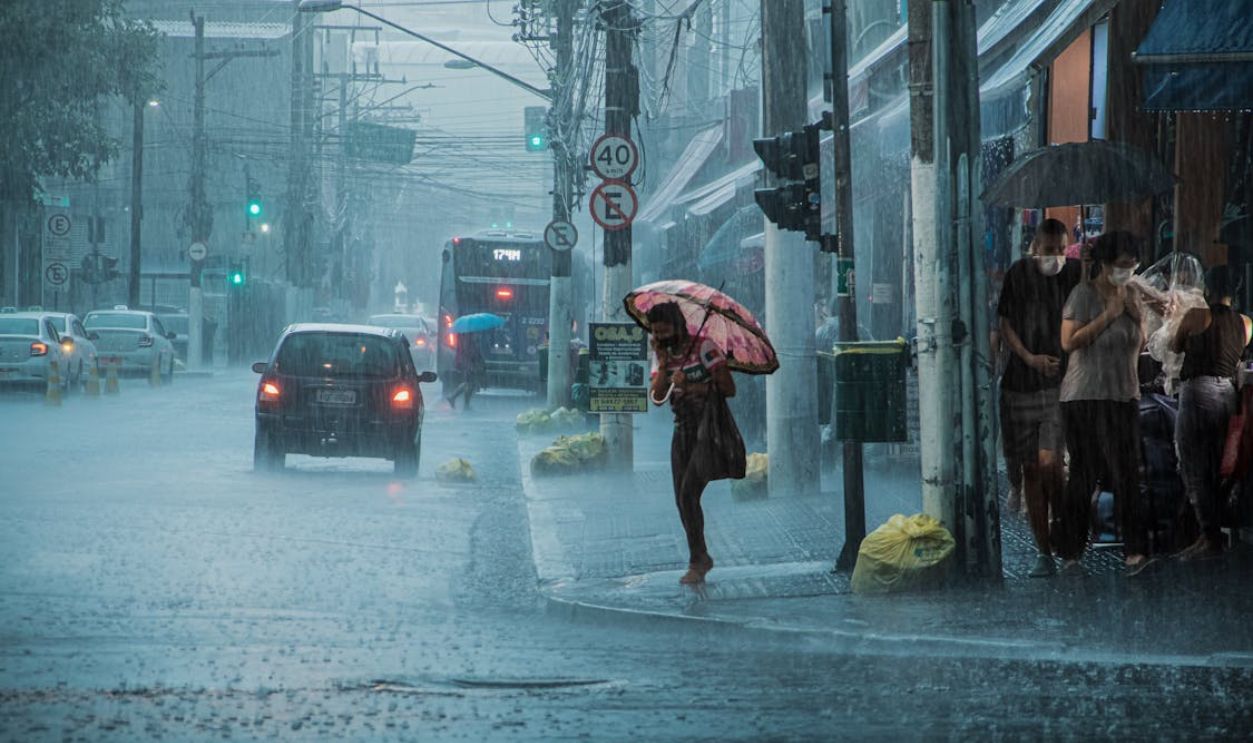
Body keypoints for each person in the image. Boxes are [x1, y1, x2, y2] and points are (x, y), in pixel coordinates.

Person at [1059, 231, 1152, 574]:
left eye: (1133, 264)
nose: (1128, 271)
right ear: (1106, 263)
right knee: (1084, 474)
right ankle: (1071, 551)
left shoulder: (1131, 294)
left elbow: (1138, 343)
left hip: (1124, 395)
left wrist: (1135, 315)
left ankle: (1136, 551)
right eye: (1122, 265)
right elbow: (1069, 342)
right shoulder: (1082, 294)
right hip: (1085, 396)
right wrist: (1109, 314)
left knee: (1128, 474)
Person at [996, 218, 1081, 577]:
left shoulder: (1076, 273)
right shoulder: (1018, 274)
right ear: (1034, 248)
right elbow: (1004, 324)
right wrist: (1029, 358)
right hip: (1021, 383)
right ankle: (1043, 550)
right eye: (1049, 251)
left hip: (1060, 386)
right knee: (1032, 469)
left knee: (1051, 464)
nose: (1056, 257)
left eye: (1062, 249)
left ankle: (1066, 537)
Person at [648, 302, 737, 585]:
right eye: (655, 333)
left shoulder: (704, 348)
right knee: (681, 499)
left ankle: (698, 560)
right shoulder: (663, 355)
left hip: (708, 429)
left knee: (688, 494)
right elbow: (658, 398)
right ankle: (700, 556)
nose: (660, 337)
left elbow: (728, 388)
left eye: (664, 331)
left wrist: (691, 385)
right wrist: (663, 365)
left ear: (677, 326)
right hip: (682, 430)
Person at [1171, 265, 1253, 560]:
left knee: (1195, 464)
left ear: (1207, 289)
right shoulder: (1246, 323)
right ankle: (1213, 532)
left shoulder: (1197, 316)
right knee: (1222, 465)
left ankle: (1209, 536)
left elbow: (1174, 345)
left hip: (1198, 392)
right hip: (1227, 396)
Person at [447, 333, 484, 409]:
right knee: (470, 383)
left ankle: (456, 398)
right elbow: (468, 351)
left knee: (470, 383)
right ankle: (460, 400)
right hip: (469, 363)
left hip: (469, 362)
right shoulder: (468, 337)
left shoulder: (468, 336)